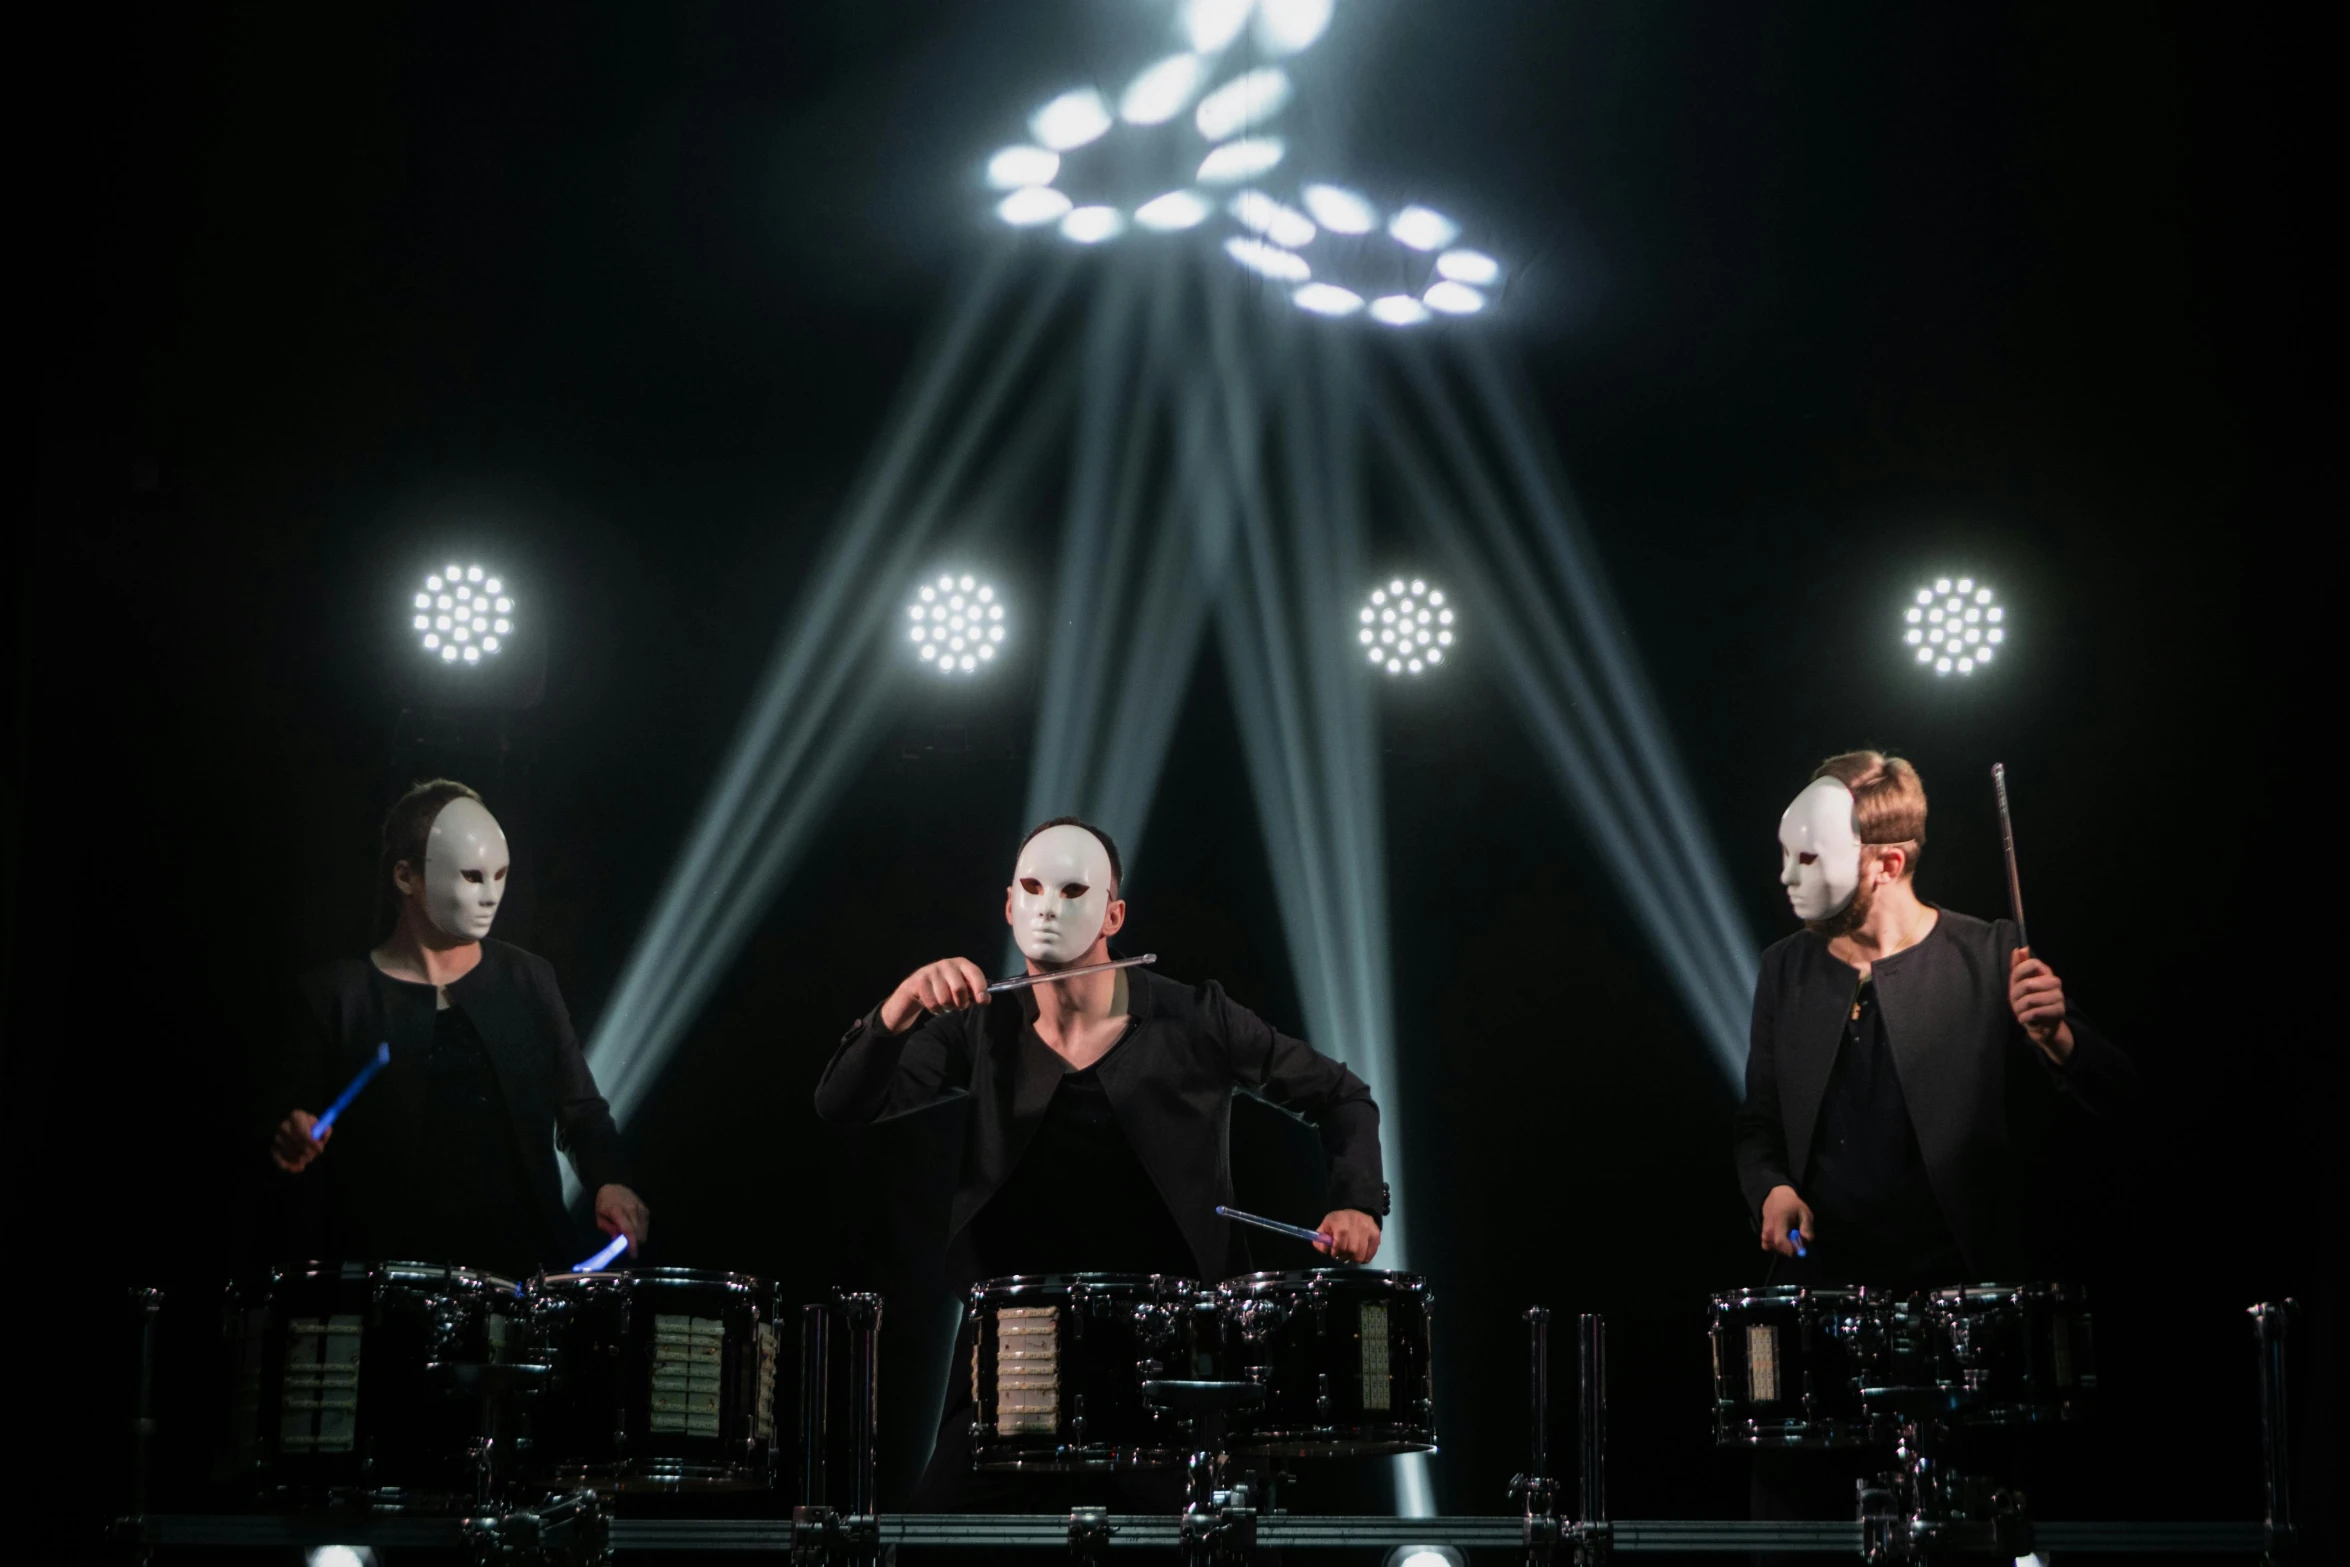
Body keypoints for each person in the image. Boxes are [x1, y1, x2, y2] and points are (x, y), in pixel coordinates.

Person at [814, 816, 1388, 1510]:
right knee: (938, 1539)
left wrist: (1356, 1198)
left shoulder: (1195, 1017)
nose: (1048, 906)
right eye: (1030, 887)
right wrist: (898, 1009)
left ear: (1113, 913)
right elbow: (843, 1104)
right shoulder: (981, 1026)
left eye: (1072, 889)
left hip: (1171, 1369)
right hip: (1018, 1359)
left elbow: (1341, 1095)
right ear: (1008, 904)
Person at [1732, 751, 2136, 1517]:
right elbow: (1757, 1124)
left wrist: (2060, 1042)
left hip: (1969, 1346)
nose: (1786, 876)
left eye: (1808, 857)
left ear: (1886, 861)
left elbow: (2123, 1101)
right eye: (1785, 855)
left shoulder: (1992, 955)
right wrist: (1773, 1188)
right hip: (1828, 1331)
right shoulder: (1784, 969)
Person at [264, 779, 649, 1279]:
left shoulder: (527, 979)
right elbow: (284, 1123)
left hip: (520, 1281)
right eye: (471, 877)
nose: (491, 896)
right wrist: (289, 1134)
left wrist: (610, 1179)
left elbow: (581, 1110)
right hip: (387, 1284)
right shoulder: (337, 997)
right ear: (407, 876)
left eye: (501, 875)